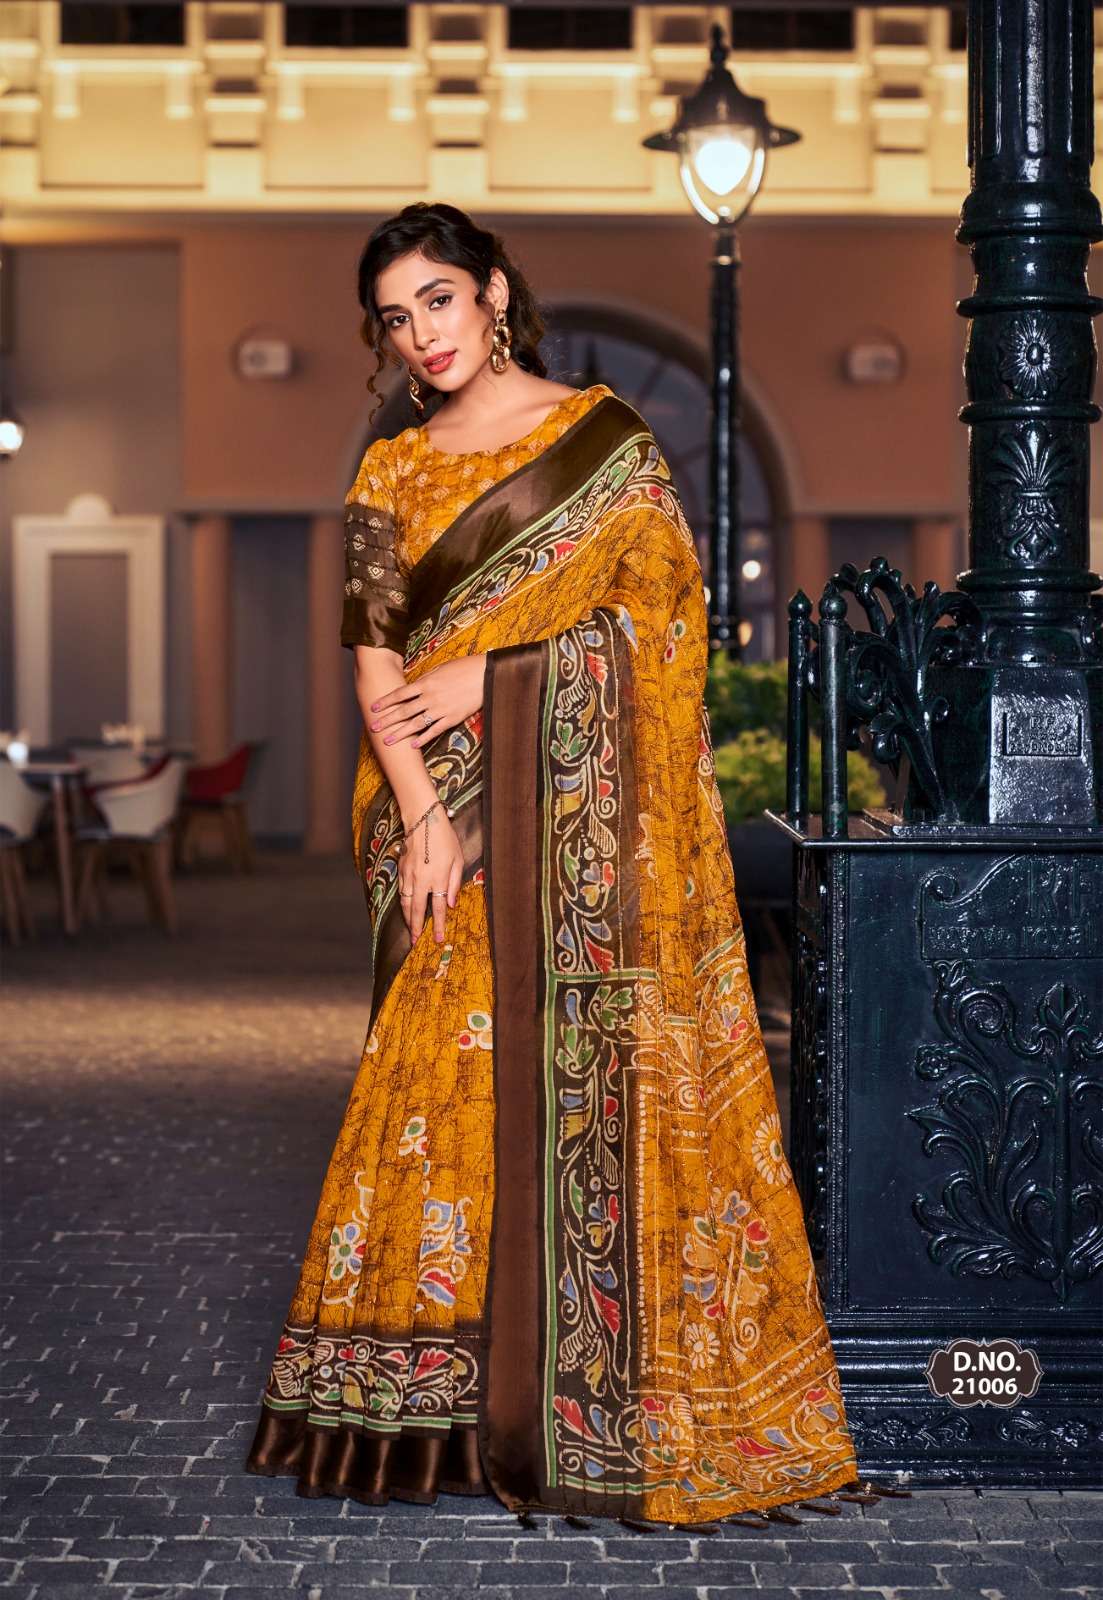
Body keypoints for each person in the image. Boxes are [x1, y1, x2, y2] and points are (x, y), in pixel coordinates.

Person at [244, 202, 893, 1530]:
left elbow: (665, 630)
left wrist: (497, 675)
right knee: (439, 1073)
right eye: (394, 318)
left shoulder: (604, 442)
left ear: (493, 292)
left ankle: (587, 1399)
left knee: (581, 1071)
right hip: (441, 812)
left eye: (437, 300)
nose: (420, 335)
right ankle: (426, 1409)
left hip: (577, 819)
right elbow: (374, 665)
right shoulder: (390, 472)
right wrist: (425, 817)